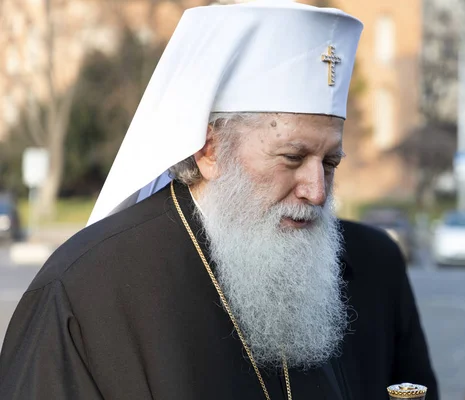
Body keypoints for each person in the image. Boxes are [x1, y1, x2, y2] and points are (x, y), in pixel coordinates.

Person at [0, 2, 438, 399]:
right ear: (209, 150)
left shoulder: (373, 269)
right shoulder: (85, 290)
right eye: (292, 157)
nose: (316, 191)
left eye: (329, 162)